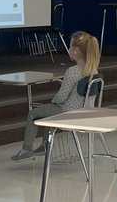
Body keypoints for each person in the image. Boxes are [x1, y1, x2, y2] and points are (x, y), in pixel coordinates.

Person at [12, 31, 101, 160]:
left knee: (33, 113)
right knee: (48, 111)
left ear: (75, 51)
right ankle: (44, 145)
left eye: (70, 47)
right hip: (87, 111)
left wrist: (53, 101)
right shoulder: (93, 70)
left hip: (69, 113)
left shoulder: (72, 71)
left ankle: (27, 149)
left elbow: (62, 97)